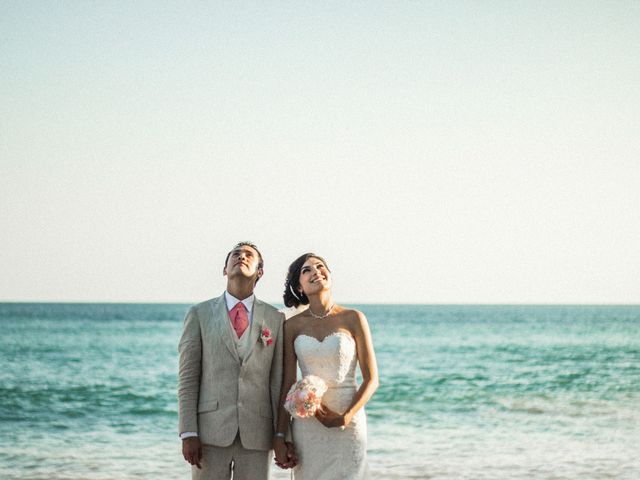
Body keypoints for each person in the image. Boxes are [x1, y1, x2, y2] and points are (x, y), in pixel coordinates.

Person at [177, 241, 296, 480]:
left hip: (257, 434)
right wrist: (188, 431)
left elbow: (278, 382)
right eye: (235, 254)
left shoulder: (275, 318)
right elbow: (189, 378)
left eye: (249, 255)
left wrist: (283, 435)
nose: (241, 257)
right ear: (225, 270)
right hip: (210, 432)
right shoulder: (199, 314)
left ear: (259, 272)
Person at [274, 253, 379, 479]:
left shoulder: (353, 318)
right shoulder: (291, 326)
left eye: (320, 267)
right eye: (307, 270)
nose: (316, 271)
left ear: (329, 276)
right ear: (299, 287)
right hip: (307, 424)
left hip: (348, 419)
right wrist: (281, 435)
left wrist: (347, 415)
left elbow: (372, 379)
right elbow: (288, 384)